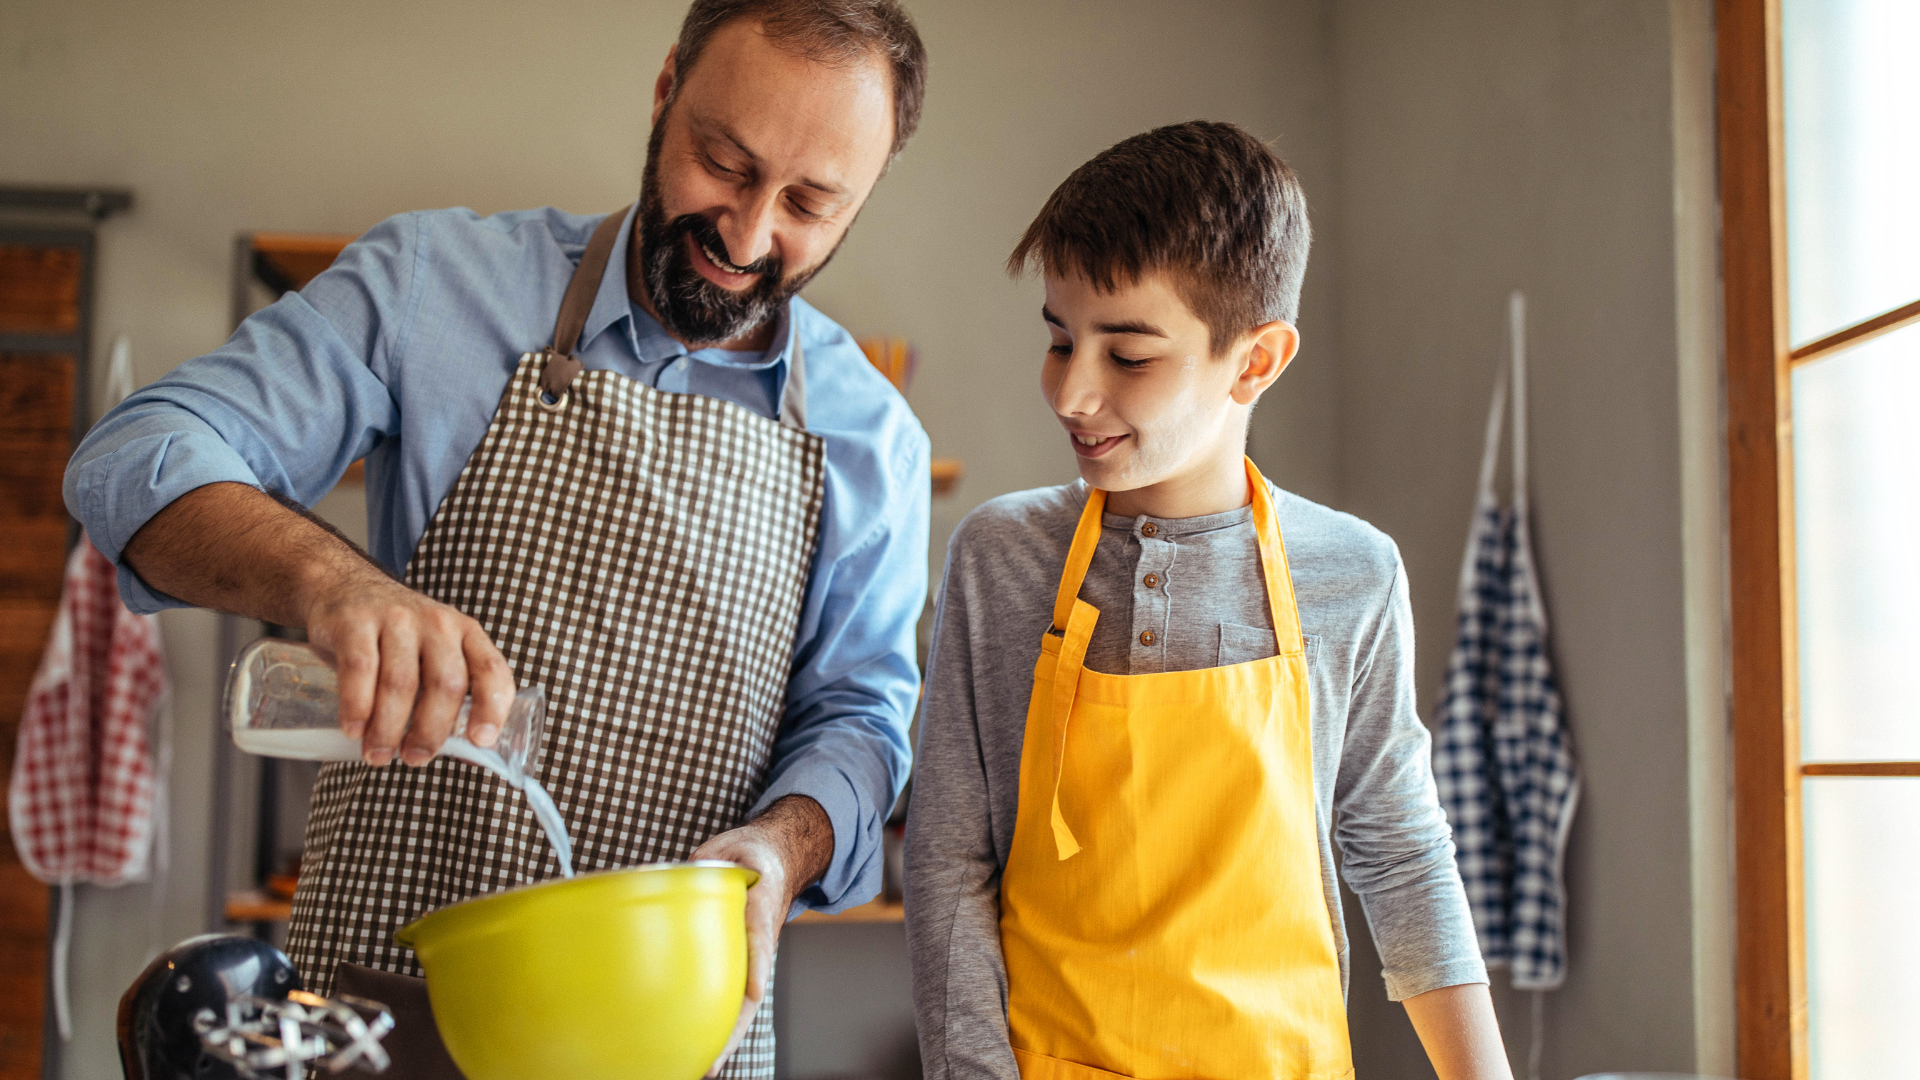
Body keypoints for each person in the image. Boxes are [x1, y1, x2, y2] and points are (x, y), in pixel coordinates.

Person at [64, 1, 929, 1075]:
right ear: (666, 92)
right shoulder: (435, 283)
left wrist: (783, 847)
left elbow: (861, 722)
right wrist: (336, 586)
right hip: (380, 1010)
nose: (748, 237)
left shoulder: (870, 437)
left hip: (673, 1037)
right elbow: (133, 456)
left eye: (809, 202)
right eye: (724, 162)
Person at [904, 121, 1512, 1080]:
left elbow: (1400, 854)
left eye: (1129, 357)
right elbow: (949, 866)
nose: (1071, 392)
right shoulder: (1001, 559)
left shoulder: (1352, 573)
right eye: (1061, 340)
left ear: (1256, 360)